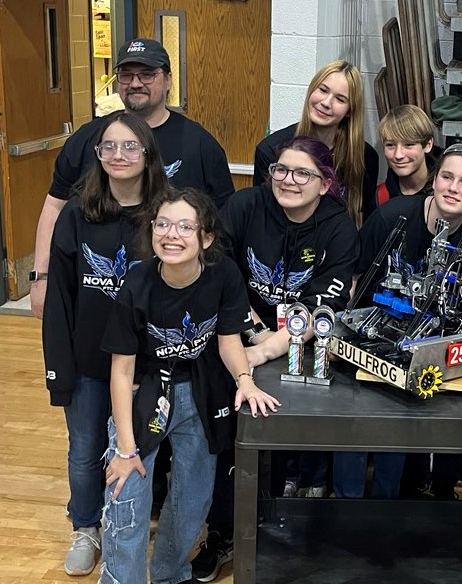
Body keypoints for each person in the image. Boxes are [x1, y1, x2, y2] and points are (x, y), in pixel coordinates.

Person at [190, 136, 358, 581]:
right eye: (281, 170)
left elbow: (324, 306)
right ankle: (222, 534)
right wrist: (248, 328)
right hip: (231, 332)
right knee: (229, 441)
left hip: (300, 347)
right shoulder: (245, 206)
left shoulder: (339, 228)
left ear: (324, 184)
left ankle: (283, 533)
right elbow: (217, 272)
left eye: (303, 173)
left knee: (284, 439)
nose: (288, 180)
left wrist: (266, 346)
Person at [99, 188, 280, 584]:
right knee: (125, 495)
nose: (171, 234)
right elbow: (121, 372)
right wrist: (126, 448)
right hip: (143, 393)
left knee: (193, 498)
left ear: (206, 238)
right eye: (162, 224)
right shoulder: (137, 284)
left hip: (199, 390)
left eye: (185, 226)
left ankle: (170, 575)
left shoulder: (223, 274)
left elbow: (228, 339)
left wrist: (245, 381)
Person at [42, 112, 170, 576]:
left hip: (151, 362)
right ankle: (85, 526)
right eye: (108, 147)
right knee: (85, 448)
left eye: (130, 146)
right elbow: (60, 298)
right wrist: (59, 368)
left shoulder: (166, 215)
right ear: (97, 156)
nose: (118, 155)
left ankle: (132, 527)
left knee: (141, 448)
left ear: (148, 154)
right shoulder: (77, 215)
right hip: (89, 359)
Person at [31, 37, 234, 319]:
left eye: (147, 74)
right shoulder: (88, 139)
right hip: (97, 296)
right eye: (126, 75)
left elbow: (223, 222)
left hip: (172, 298)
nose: (135, 83)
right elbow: (54, 207)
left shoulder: (201, 144)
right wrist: (41, 277)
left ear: (168, 80)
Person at [337, 143, 462, 500]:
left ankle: (387, 507)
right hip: (372, 333)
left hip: (423, 349)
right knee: (354, 428)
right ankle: (346, 508)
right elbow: (355, 275)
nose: (453, 188)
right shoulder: (394, 216)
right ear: (434, 180)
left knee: (398, 429)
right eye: (447, 177)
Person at [252, 60, 378, 226]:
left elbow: (367, 218)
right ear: (311, 90)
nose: (326, 103)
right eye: (323, 90)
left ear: (350, 111)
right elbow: (262, 217)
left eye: (340, 99)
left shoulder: (364, 156)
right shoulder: (270, 150)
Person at [375, 104, 441, 205]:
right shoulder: (381, 197)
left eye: (408, 144)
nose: (398, 155)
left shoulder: (446, 193)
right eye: (390, 145)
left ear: (428, 145)